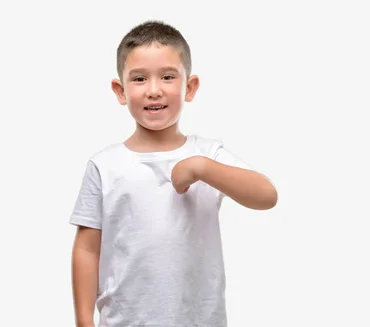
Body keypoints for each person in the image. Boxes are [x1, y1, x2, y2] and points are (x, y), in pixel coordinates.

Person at [69, 20, 278, 327]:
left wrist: (202, 168)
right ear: (121, 90)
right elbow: (87, 249)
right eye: (139, 79)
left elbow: (266, 196)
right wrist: (84, 322)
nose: (154, 90)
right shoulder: (105, 165)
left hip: (199, 320)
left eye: (168, 77)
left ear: (189, 87)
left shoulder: (209, 154)